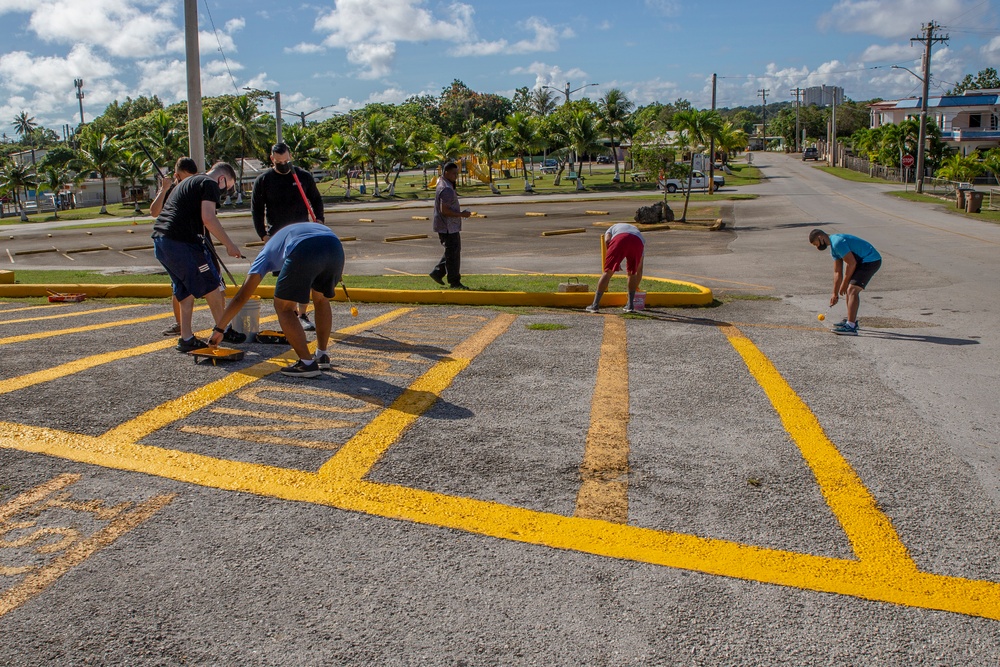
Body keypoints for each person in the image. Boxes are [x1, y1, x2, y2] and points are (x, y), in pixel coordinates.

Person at [208, 222, 345, 378]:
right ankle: (322, 355)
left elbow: (242, 296)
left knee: (282, 307)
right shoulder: (282, 239)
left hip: (305, 248)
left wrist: (219, 329)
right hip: (334, 246)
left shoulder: (265, 254)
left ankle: (307, 364)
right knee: (321, 300)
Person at [152, 161, 244, 352]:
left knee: (184, 292)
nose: (223, 194)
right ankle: (223, 329)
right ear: (221, 178)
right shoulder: (209, 184)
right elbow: (208, 218)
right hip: (181, 243)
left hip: (161, 242)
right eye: (225, 188)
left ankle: (186, 338)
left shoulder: (188, 182)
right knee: (211, 286)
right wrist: (229, 245)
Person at [251, 142, 326, 331]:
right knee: (286, 277)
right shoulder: (264, 180)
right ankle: (290, 313)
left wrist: (319, 220)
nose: (283, 165)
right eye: (278, 162)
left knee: (306, 274)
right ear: (272, 159)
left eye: (286, 161)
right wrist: (263, 235)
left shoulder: (303, 176)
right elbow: (257, 210)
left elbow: (316, 199)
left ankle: (302, 314)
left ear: (290, 156)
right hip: (278, 236)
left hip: (303, 233)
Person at [150, 157, 199, 337]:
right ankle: (180, 325)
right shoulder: (171, 191)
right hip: (174, 242)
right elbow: (154, 211)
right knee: (178, 285)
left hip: (189, 240)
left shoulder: (197, 187)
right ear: (177, 176)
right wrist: (164, 189)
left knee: (188, 284)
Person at [808, 229, 882, 336]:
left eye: (816, 244)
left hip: (870, 260)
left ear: (820, 237)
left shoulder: (837, 242)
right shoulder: (834, 248)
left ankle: (851, 326)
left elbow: (851, 263)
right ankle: (850, 321)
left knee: (852, 290)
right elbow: (837, 272)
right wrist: (834, 293)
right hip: (861, 262)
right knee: (850, 290)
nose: (817, 247)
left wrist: (845, 282)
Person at [428, 161, 471, 290]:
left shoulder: (443, 183)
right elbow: (445, 210)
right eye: (453, 173)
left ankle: (438, 272)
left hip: (447, 226)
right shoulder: (446, 188)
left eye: (456, 173)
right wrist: (461, 214)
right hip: (448, 227)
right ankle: (454, 282)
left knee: (452, 252)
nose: (455, 176)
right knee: (453, 254)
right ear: (446, 172)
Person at [586, 223, 645, 314]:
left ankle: (595, 305)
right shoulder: (640, 236)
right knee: (632, 273)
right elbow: (639, 270)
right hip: (637, 242)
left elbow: (607, 241)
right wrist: (636, 287)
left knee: (608, 272)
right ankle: (630, 305)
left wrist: (614, 261)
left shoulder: (611, 228)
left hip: (620, 239)